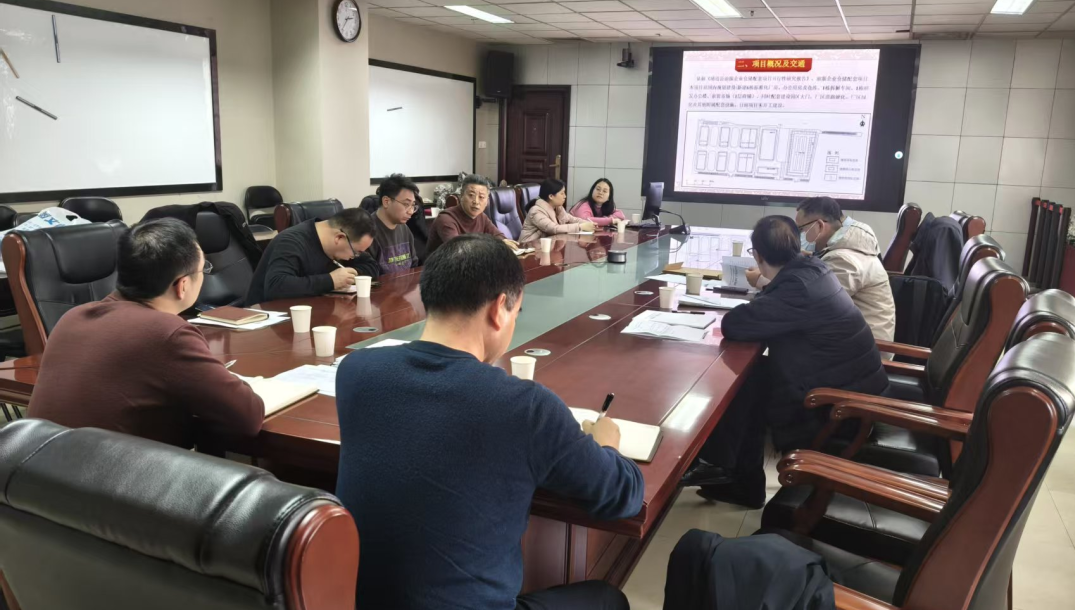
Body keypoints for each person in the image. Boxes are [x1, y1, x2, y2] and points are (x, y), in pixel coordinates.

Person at [335, 234, 643, 610]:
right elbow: (623, 495)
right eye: (517, 313)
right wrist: (606, 442)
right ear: (499, 309)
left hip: (358, 603)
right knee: (606, 599)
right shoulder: (525, 407)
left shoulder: (356, 370)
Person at [682, 216, 888, 508]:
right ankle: (733, 476)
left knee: (745, 380)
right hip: (856, 389)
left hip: (842, 409)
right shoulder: (813, 268)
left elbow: (735, 324)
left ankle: (725, 470)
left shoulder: (798, 287)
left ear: (757, 255)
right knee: (752, 376)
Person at [28, 219, 264, 448]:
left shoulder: (72, 317)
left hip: (34, 466)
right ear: (182, 285)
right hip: (109, 473)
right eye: (204, 269)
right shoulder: (167, 332)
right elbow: (248, 417)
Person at [794, 196, 896, 343]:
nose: (799, 235)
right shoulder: (850, 245)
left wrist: (765, 279)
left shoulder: (845, 260)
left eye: (801, 229)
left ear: (820, 226)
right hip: (850, 338)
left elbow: (811, 305)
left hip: (863, 349)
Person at [244, 207, 379, 306]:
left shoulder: (345, 245)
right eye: (356, 252)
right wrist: (331, 280)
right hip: (267, 320)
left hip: (317, 311)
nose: (355, 257)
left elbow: (372, 266)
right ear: (339, 238)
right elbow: (276, 286)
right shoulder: (291, 242)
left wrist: (351, 275)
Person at [425, 174, 520, 255]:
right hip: (441, 268)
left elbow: (498, 236)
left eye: (481, 197)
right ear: (461, 196)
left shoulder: (481, 217)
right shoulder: (446, 219)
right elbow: (458, 249)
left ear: (487, 201)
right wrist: (494, 244)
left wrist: (503, 242)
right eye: (471, 195)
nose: (476, 201)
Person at [368, 173, 421, 274]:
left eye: (413, 205)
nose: (411, 211)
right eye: (406, 204)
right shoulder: (367, 231)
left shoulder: (405, 229)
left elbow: (414, 266)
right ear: (386, 201)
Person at [518, 178, 596, 243]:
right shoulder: (536, 211)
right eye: (562, 193)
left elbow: (571, 219)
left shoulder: (557, 207)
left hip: (544, 245)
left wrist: (587, 223)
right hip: (528, 247)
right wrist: (580, 227)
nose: (565, 196)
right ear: (551, 196)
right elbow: (553, 229)